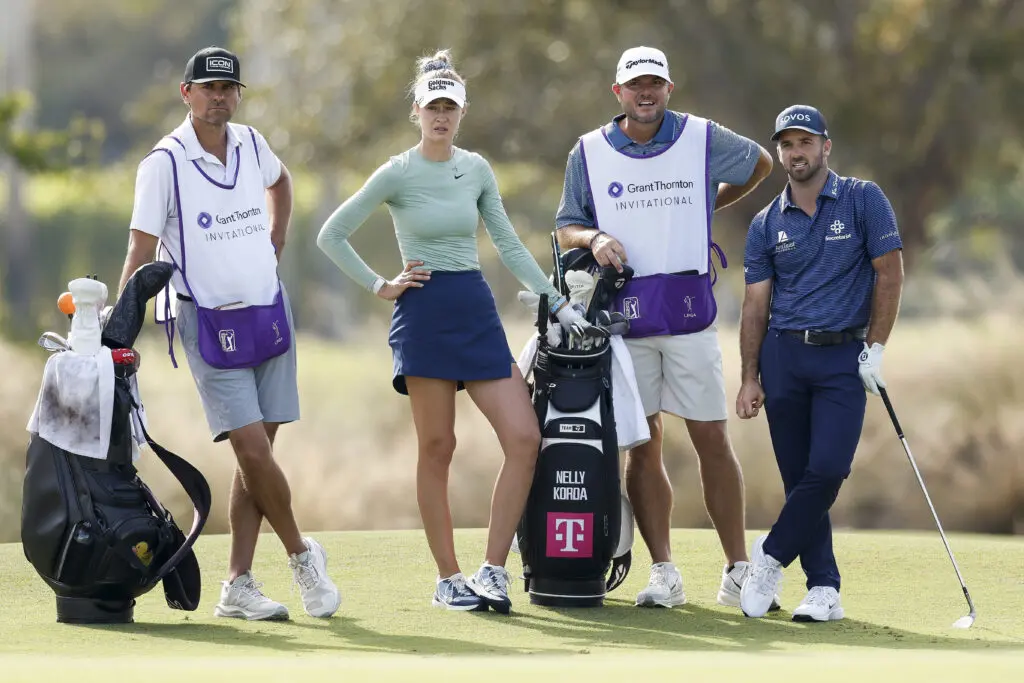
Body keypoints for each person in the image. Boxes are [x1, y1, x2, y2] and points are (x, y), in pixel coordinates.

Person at [316, 49, 586, 614]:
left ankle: (493, 570)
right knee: (438, 447)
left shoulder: (477, 169)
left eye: (450, 107)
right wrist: (379, 284)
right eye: (432, 106)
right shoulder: (397, 172)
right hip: (424, 311)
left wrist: (556, 301)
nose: (441, 115)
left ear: (462, 114)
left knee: (523, 437)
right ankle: (448, 579)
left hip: (473, 308)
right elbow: (332, 234)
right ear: (417, 111)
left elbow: (508, 244)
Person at [117, 46, 341, 621]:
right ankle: (301, 554)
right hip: (208, 321)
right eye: (208, 88)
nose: (219, 97)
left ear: (237, 94)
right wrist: (120, 330)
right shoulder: (162, 163)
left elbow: (282, 181)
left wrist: (278, 239)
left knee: (258, 457)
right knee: (251, 448)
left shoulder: (252, 142)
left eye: (228, 88)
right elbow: (140, 251)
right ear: (186, 94)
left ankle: (236, 584)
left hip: (268, 310)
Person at [555, 46, 774, 609]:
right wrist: (594, 239)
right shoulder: (589, 150)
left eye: (655, 83)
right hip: (623, 318)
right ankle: (665, 572)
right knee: (642, 446)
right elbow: (565, 229)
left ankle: (737, 568)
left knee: (711, 438)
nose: (645, 93)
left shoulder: (701, 136)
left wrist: (708, 206)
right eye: (635, 85)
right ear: (618, 93)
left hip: (687, 313)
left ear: (669, 89)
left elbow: (760, 164)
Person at [736, 105, 904, 621]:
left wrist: (875, 348)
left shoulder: (862, 199)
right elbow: (755, 305)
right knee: (799, 478)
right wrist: (748, 376)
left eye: (805, 142)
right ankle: (823, 588)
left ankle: (769, 556)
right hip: (784, 355)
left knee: (828, 469)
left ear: (825, 146)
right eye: (787, 144)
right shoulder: (765, 223)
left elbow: (890, 275)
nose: (796, 152)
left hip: (843, 358)